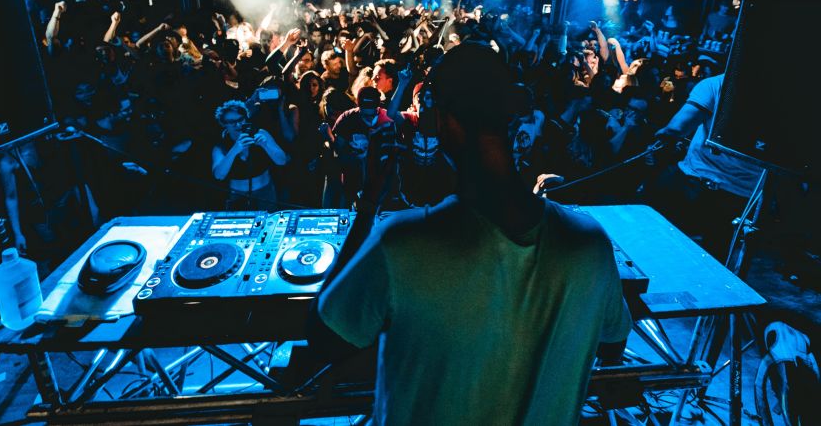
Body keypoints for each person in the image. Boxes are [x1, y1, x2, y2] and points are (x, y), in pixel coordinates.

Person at [309, 42, 631, 426]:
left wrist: (367, 208)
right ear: (511, 113)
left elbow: (327, 338)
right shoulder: (589, 242)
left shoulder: (404, 242)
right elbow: (612, 343)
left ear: (443, 121)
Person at [645, 73, 765, 257]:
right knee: (711, 261)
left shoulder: (717, 84)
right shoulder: (788, 97)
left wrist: (660, 140)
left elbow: (677, 128)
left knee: (659, 243)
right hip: (739, 198)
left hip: (694, 182)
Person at [211, 99, 288, 210]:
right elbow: (219, 175)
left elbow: (282, 160)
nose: (237, 124)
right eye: (232, 121)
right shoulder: (221, 145)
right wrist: (234, 150)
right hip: (237, 197)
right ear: (224, 124)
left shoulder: (260, 133)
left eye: (241, 119)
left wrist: (266, 146)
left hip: (265, 194)